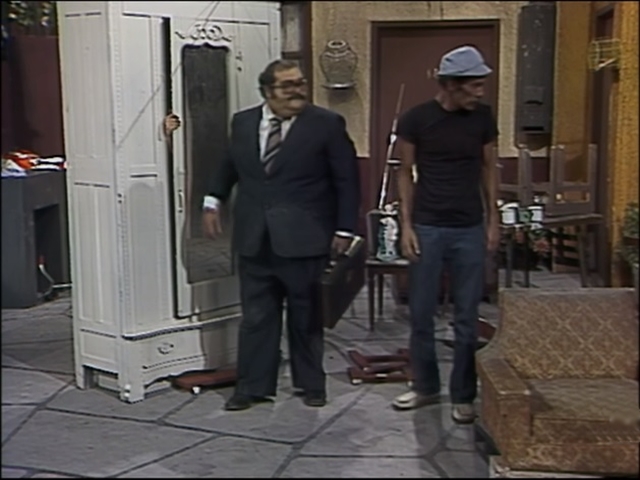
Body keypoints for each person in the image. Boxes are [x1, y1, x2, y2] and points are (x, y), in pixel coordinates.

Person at [167, 59, 360, 411]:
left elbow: (347, 180)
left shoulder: (326, 124)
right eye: (288, 85)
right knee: (256, 317)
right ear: (268, 91)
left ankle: (311, 385)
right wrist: (212, 200)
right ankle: (253, 387)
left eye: (300, 83)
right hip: (254, 237)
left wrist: (345, 228)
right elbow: (229, 164)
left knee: (305, 317)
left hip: (304, 239)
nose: (298, 90)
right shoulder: (243, 123)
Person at [392, 46, 500, 424]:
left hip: (469, 227)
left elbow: (489, 168)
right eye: (474, 85)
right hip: (428, 227)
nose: (480, 92)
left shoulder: (483, 118)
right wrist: (406, 226)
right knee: (421, 314)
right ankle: (425, 386)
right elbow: (404, 173)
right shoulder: (416, 119)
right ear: (451, 85)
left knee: (467, 318)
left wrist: (493, 220)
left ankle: (463, 395)